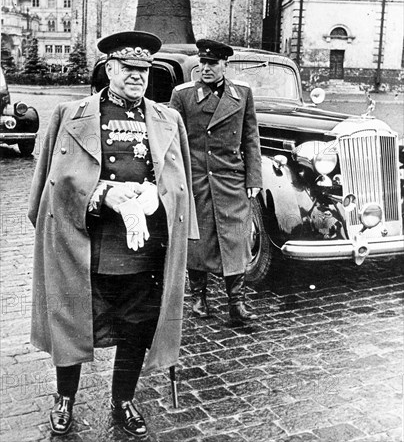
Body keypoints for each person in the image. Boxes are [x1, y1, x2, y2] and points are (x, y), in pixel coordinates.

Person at [28, 31, 199, 437]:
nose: (138, 76)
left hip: (143, 248)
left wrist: (153, 195)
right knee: (71, 318)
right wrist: (106, 193)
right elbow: (53, 182)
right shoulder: (72, 114)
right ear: (110, 69)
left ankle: (123, 399)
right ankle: (65, 398)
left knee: (137, 324)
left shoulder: (167, 118)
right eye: (128, 69)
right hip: (85, 241)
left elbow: (181, 183)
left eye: (144, 69)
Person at [170, 39, 262, 325]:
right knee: (199, 242)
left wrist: (253, 178)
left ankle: (237, 303)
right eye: (203, 62)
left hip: (231, 179)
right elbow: (172, 142)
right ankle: (199, 297)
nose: (205, 68)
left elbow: (251, 138)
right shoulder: (183, 95)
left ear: (225, 65)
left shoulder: (243, 94)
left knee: (236, 239)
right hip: (197, 178)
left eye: (212, 63)